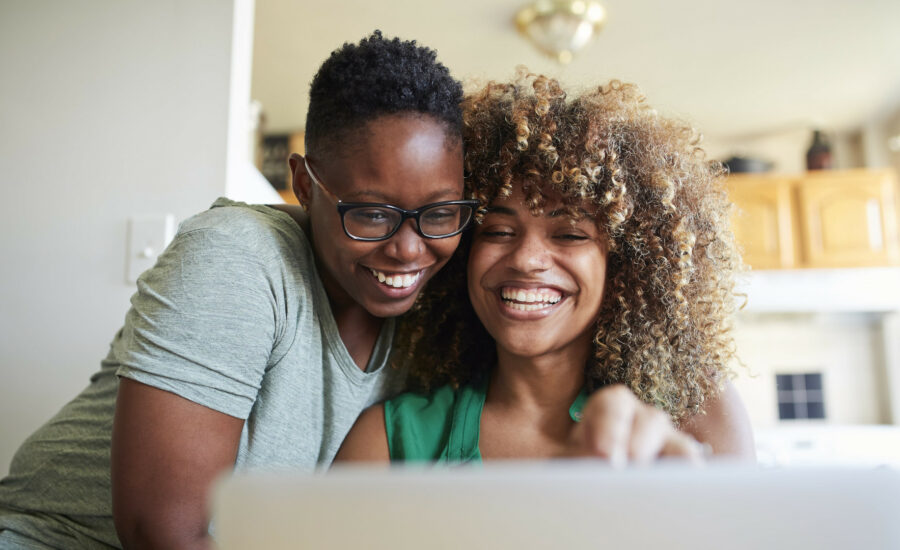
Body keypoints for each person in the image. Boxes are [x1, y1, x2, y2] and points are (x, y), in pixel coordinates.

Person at [0, 31, 474, 549]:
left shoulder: (436, 311)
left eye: (439, 213)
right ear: (305, 184)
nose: (408, 250)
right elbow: (163, 537)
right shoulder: (237, 257)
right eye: (371, 213)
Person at [336, 72, 755, 464]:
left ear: (626, 262)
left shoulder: (697, 414)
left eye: (570, 234)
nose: (524, 259)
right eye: (498, 230)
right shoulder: (388, 443)